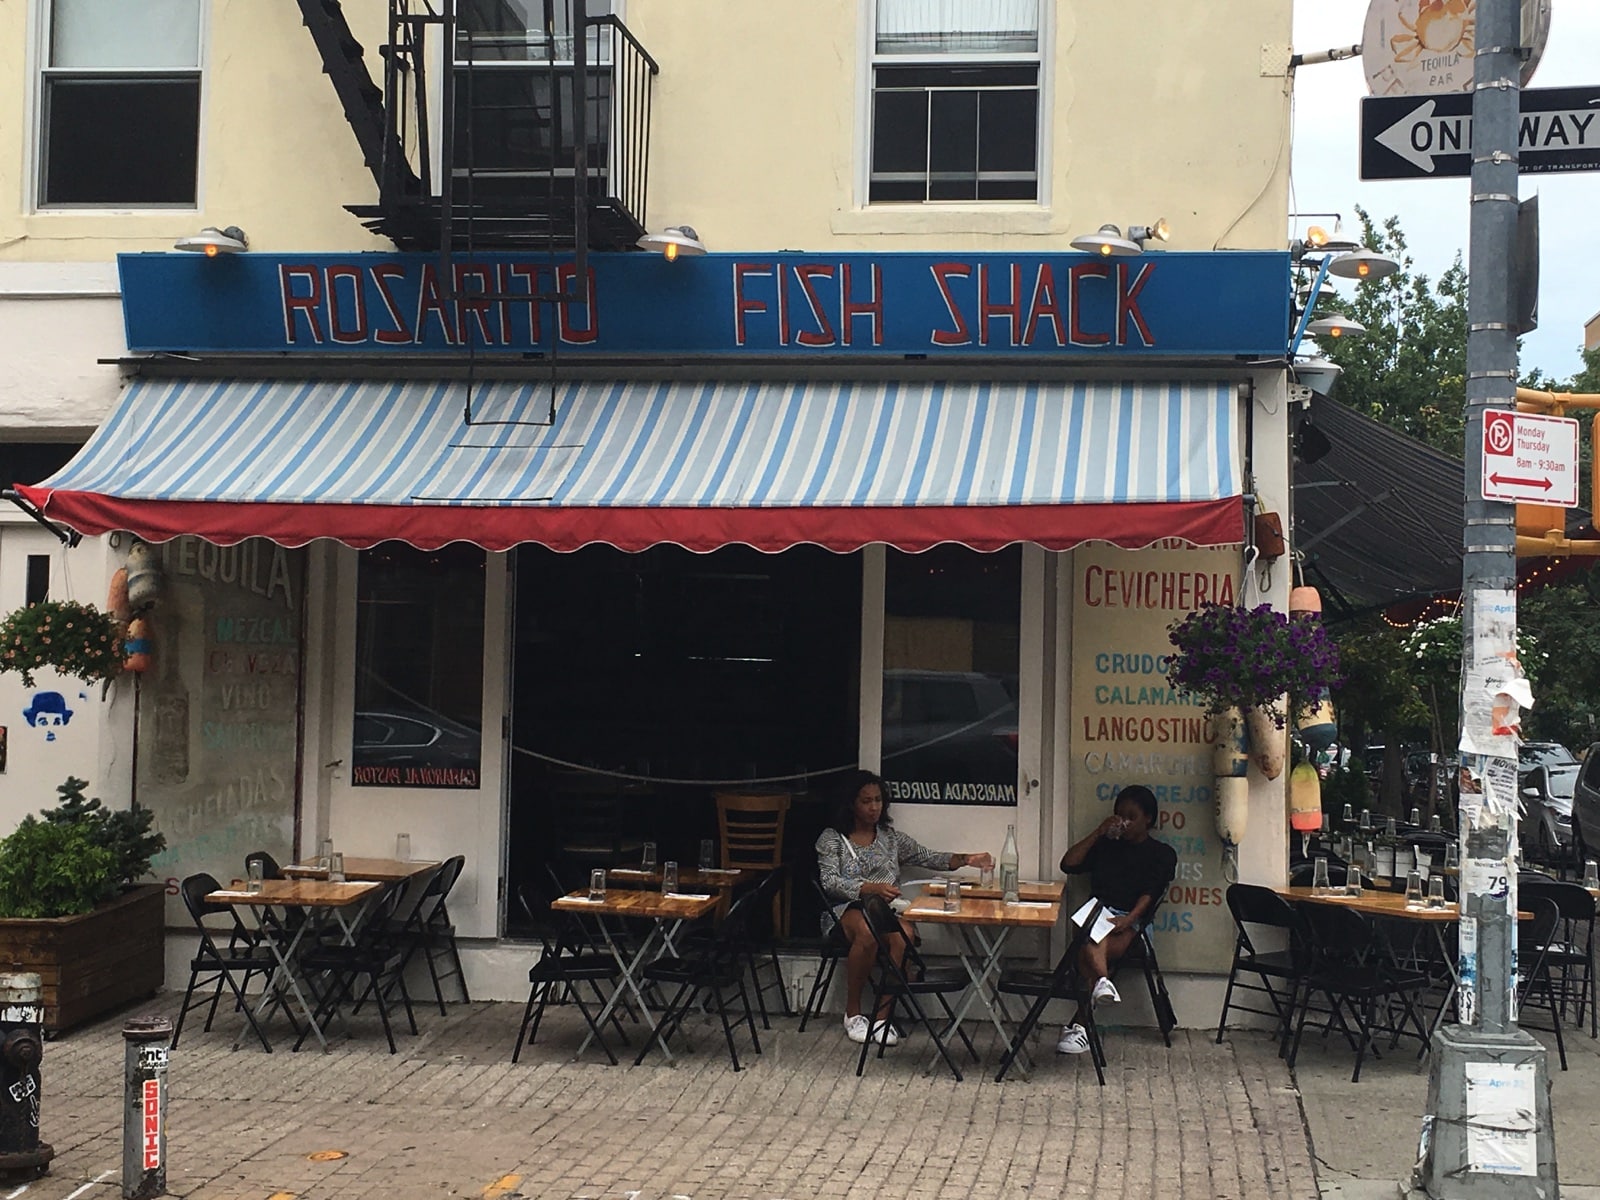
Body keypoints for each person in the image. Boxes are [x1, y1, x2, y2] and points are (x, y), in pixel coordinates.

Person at [816, 769, 994, 1046]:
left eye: (878, 800)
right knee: (867, 931)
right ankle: (853, 1014)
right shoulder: (833, 839)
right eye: (866, 801)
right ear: (851, 804)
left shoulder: (890, 838)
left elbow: (929, 857)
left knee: (905, 936)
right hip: (847, 909)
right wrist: (870, 888)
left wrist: (967, 859)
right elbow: (829, 882)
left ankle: (882, 1017)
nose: (874, 807)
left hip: (887, 912)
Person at [1054, 783, 1177, 1055]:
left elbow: (1151, 892)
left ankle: (1081, 1023)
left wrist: (1129, 919)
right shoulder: (1107, 846)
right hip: (1097, 915)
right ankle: (1101, 984)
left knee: (1087, 944)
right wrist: (1098, 833)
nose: (1125, 822)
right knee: (1090, 934)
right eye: (1121, 815)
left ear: (1148, 819)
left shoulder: (1160, 853)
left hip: (1132, 924)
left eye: (1132, 817)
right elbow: (1069, 864)